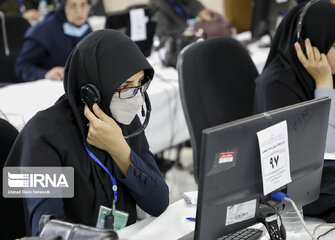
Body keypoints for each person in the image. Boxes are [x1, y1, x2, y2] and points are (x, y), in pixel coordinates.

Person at [5, 29, 169, 235]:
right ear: (91, 91)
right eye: (125, 86)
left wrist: (120, 151)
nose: (135, 98)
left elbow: (159, 201)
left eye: (140, 84)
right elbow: (49, 233)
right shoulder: (44, 137)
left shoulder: (126, 122)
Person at [254, 1, 335, 222]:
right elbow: (326, 147)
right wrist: (323, 84)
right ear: (308, 44)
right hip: (294, 201)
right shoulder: (276, 86)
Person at [15, 0, 92, 82]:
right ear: (62, 7)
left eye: (83, 5)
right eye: (73, 6)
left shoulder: (86, 28)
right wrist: (45, 74)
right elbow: (21, 66)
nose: (79, 11)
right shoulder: (43, 30)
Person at [150, 0, 217, 46]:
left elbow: (199, 8)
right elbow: (165, 33)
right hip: (178, 41)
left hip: (194, 33)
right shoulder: (157, 5)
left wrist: (200, 11)